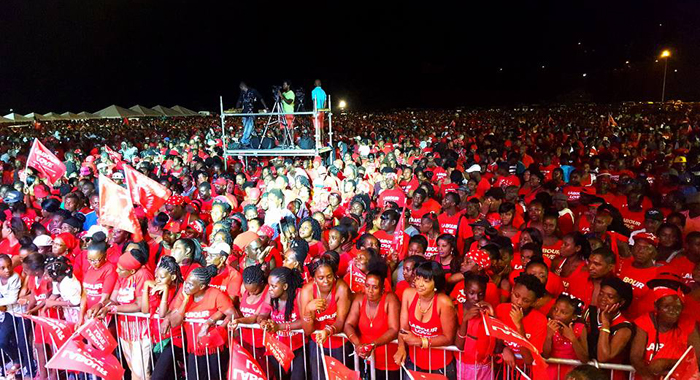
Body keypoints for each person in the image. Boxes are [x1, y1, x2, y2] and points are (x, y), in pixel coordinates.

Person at [163, 266, 236, 380]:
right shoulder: (184, 294)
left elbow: (232, 314)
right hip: (194, 348)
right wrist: (186, 300)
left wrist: (210, 323)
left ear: (201, 286)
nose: (186, 286)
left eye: (191, 284)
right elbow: (175, 322)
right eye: (186, 282)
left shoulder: (215, 294)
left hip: (213, 347)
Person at [630, 273, 700, 379]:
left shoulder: (688, 323)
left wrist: (667, 363)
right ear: (656, 307)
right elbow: (635, 356)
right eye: (667, 307)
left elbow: (697, 359)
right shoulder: (644, 321)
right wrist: (648, 377)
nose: (673, 311)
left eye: (678, 307)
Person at [394, 261, 457, 378]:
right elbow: (403, 329)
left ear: (436, 284)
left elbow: (449, 338)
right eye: (418, 279)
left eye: (426, 281)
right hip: (413, 362)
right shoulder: (408, 294)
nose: (420, 284)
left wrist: (420, 341)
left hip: (440, 366)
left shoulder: (444, 303)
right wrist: (401, 347)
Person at [99, 247, 153, 380]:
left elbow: (139, 305)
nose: (117, 271)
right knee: (132, 368)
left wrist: (112, 309)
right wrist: (101, 306)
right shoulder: (122, 275)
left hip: (140, 330)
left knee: (141, 371)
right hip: (125, 329)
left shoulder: (143, 275)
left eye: (120, 269)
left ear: (132, 271)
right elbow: (113, 299)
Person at [344, 260, 400, 380]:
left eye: (374, 287)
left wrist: (373, 345)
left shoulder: (390, 299)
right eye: (367, 286)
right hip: (365, 359)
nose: (369, 290)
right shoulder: (359, 300)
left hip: (388, 361)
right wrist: (357, 344)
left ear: (383, 288)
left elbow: (394, 329)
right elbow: (348, 324)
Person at [300, 252, 352, 380]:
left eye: (329, 276)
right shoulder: (307, 291)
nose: (326, 281)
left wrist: (327, 332)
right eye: (321, 277)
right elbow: (307, 330)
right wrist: (308, 310)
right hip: (317, 344)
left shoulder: (341, 288)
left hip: (339, 344)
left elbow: (340, 322)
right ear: (314, 278)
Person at [257, 267, 306, 380]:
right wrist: (262, 322)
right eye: (269, 285)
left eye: (274, 286)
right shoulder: (270, 295)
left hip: (297, 347)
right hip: (277, 348)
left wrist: (279, 327)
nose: (270, 289)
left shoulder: (299, 295)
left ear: (285, 287)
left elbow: (305, 321)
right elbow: (262, 314)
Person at [140, 256, 184, 380]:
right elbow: (144, 310)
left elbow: (162, 314)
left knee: (157, 377)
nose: (158, 280)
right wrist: (145, 287)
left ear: (173, 277)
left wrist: (165, 290)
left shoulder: (180, 289)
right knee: (168, 376)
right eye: (157, 277)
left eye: (162, 277)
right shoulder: (156, 289)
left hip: (173, 339)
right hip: (157, 338)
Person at [495, 273, 547, 373]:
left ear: (534, 302)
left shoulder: (539, 320)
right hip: (502, 369)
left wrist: (519, 326)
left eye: (526, 300)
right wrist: (505, 349)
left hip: (526, 372)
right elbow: (496, 346)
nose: (519, 302)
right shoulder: (501, 309)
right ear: (512, 290)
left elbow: (529, 360)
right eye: (516, 295)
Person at [584, 277, 634, 378]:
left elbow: (603, 357)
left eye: (610, 296)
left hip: (610, 376)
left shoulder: (624, 327)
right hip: (587, 374)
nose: (603, 298)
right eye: (601, 294)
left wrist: (605, 323)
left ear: (621, 302)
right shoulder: (590, 313)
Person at [454, 272, 495, 380]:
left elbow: (496, 344)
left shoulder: (487, 310)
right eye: (471, 293)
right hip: (464, 365)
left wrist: (492, 315)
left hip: (485, 366)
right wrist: (465, 320)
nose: (476, 298)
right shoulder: (456, 309)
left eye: (481, 294)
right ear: (464, 291)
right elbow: (459, 345)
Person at [229, 265, 268, 365]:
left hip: (261, 343)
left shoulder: (268, 292)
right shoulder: (244, 289)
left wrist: (239, 321)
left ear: (262, 283)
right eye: (248, 290)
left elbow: (255, 317)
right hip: (245, 339)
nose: (251, 293)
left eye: (254, 290)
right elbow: (239, 309)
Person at [544, 294, 589, 379]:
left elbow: (584, 359)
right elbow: (546, 355)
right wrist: (549, 336)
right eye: (555, 309)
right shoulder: (549, 326)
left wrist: (573, 339)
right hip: (551, 372)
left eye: (563, 312)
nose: (557, 314)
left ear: (574, 316)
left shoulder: (580, 328)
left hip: (572, 374)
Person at [236, 81, 268, 147]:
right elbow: (239, 100)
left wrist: (266, 107)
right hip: (244, 112)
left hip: (252, 111)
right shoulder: (242, 93)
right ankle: (248, 140)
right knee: (246, 127)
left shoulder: (253, 91)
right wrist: (237, 108)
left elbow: (261, 98)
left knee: (249, 126)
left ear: (242, 86)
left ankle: (244, 141)